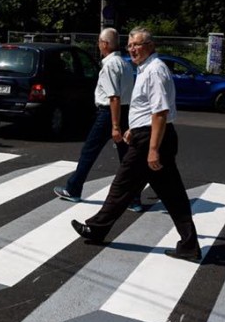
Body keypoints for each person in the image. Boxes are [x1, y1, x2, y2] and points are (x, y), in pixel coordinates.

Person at [70, 28, 201, 262]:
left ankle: (97, 228)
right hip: (149, 135)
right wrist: (134, 128)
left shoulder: (154, 70)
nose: (132, 49)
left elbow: (160, 111)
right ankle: (189, 244)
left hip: (151, 141)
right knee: (173, 195)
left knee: (122, 186)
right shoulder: (146, 68)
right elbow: (149, 109)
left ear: (150, 45)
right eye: (130, 45)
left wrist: (152, 149)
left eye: (137, 44)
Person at [53, 28, 144, 211]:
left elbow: (114, 97)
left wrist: (115, 125)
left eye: (99, 42)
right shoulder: (126, 64)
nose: (98, 46)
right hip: (125, 112)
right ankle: (134, 199)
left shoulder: (110, 66)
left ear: (105, 44)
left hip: (109, 114)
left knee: (89, 151)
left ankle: (73, 189)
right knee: (127, 158)